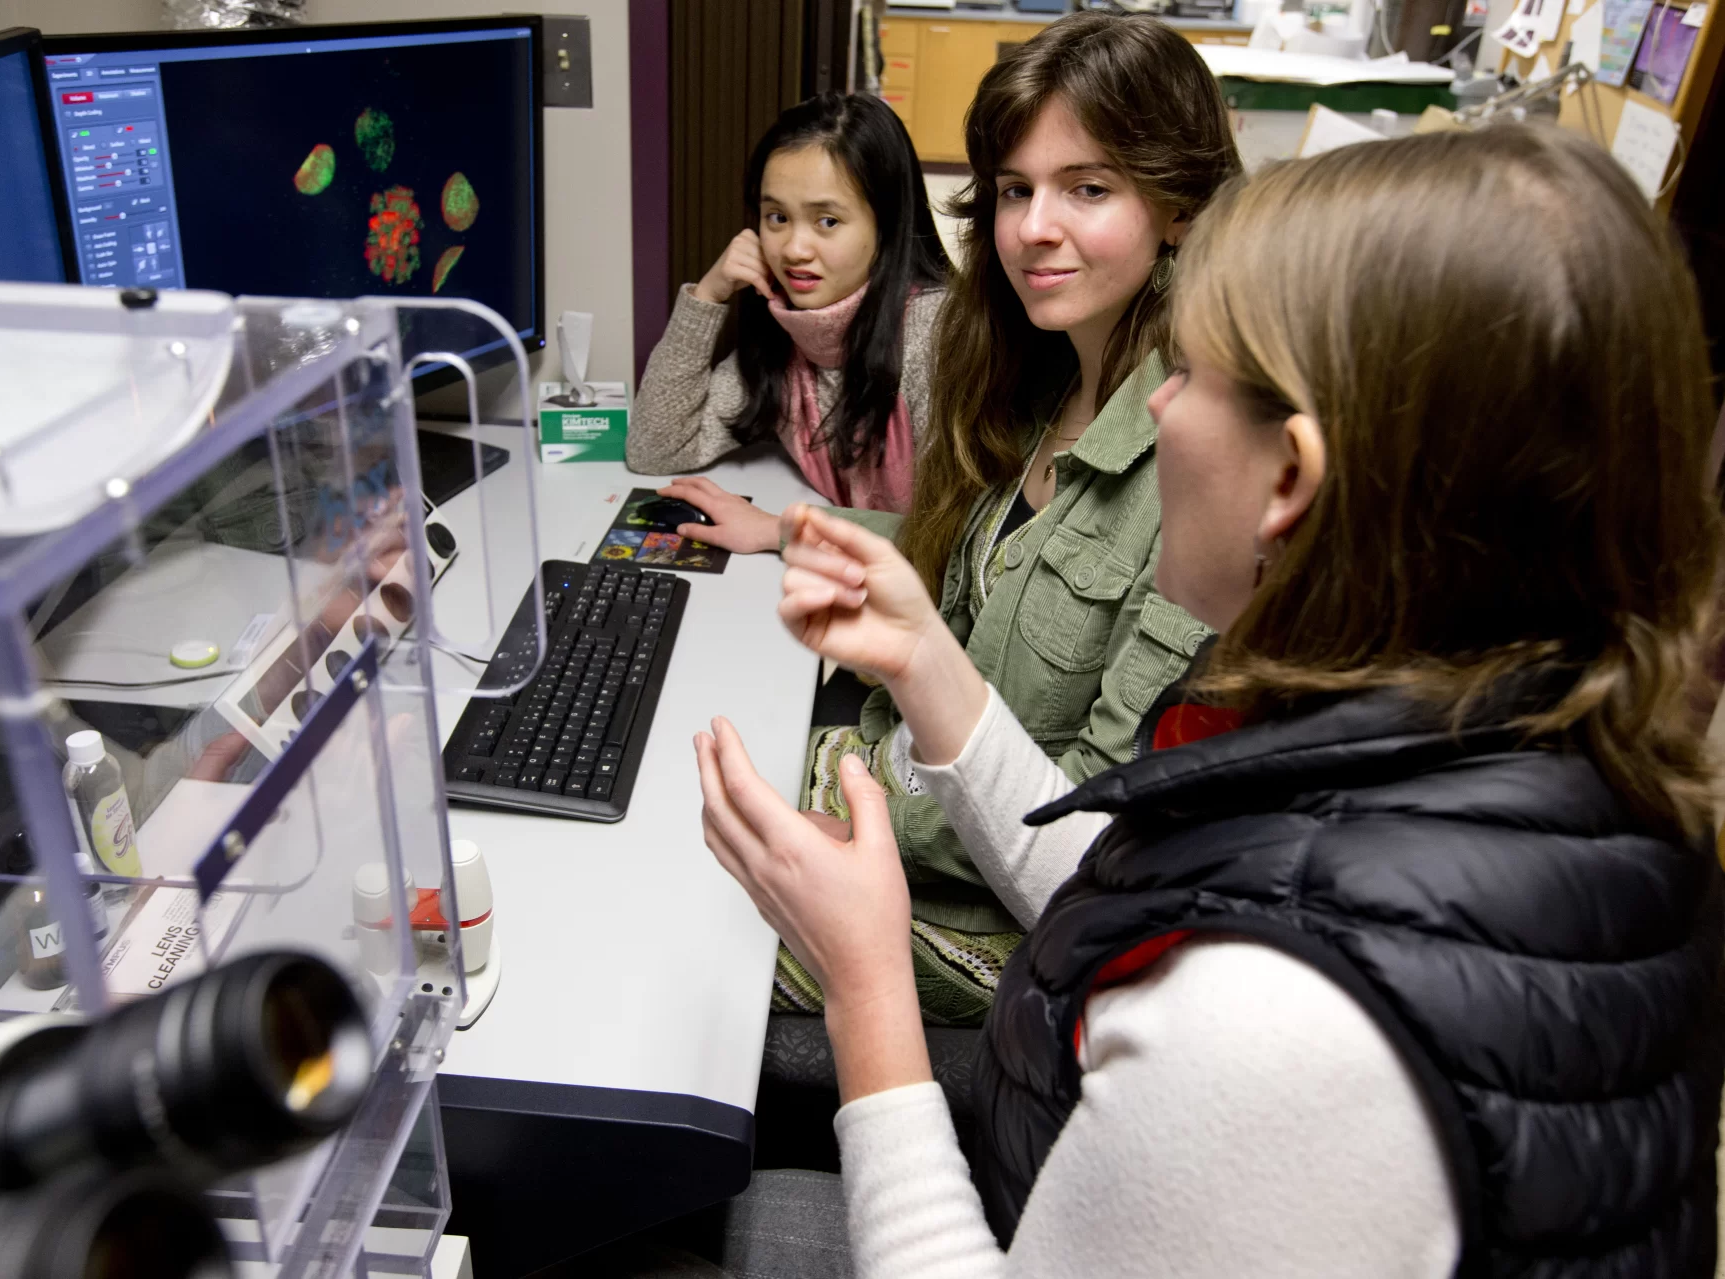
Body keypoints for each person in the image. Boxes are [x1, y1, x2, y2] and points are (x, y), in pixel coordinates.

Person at [696, 124, 1725, 1276]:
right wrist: (927, 660)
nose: (1155, 413)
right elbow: (1125, 877)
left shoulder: (1273, 1029)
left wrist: (868, 984)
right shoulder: (1546, 752)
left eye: (1178, 373)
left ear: (1289, 477)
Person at [778, 13, 1240, 1026]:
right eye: (1014, 190)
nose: (1033, 226)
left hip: (990, 917)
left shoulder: (1199, 460)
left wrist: (858, 795)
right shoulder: (1035, 379)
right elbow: (971, 583)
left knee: (683, 921)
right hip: (895, 800)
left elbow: (1090, 834)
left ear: (1175, 207)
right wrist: (784, 531)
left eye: (1087, 188)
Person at [627, 92, 949, 552]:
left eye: (827, 221)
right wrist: (707, 294)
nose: (794, 249)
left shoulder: (935, 331)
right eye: (776, 217)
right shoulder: (790, 325)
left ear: (887, 225)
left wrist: (781, 529)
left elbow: (958, 540)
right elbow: (656, 449)